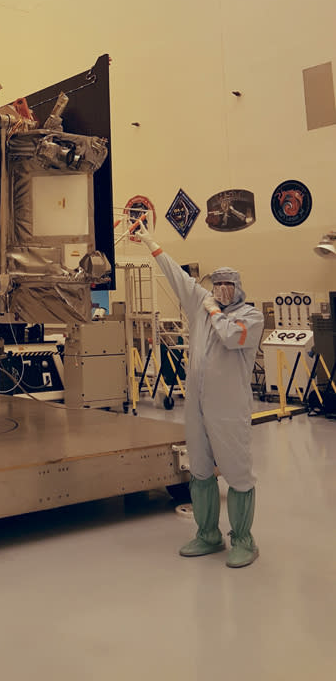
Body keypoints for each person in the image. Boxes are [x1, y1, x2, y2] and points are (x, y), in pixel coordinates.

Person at [138, 218, 264, 568]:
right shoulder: (200, 303)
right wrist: (150, 241)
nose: (221, 289)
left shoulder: (251, 318)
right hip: (196, 406)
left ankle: (243, 539)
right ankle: (207, 534)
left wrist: (212, 310)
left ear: (238, 287)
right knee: (200, 469)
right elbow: (178, 276)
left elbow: (229, 337)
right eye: (217, 283)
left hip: (229, 408)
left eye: (227, 284)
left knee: (237, 473)